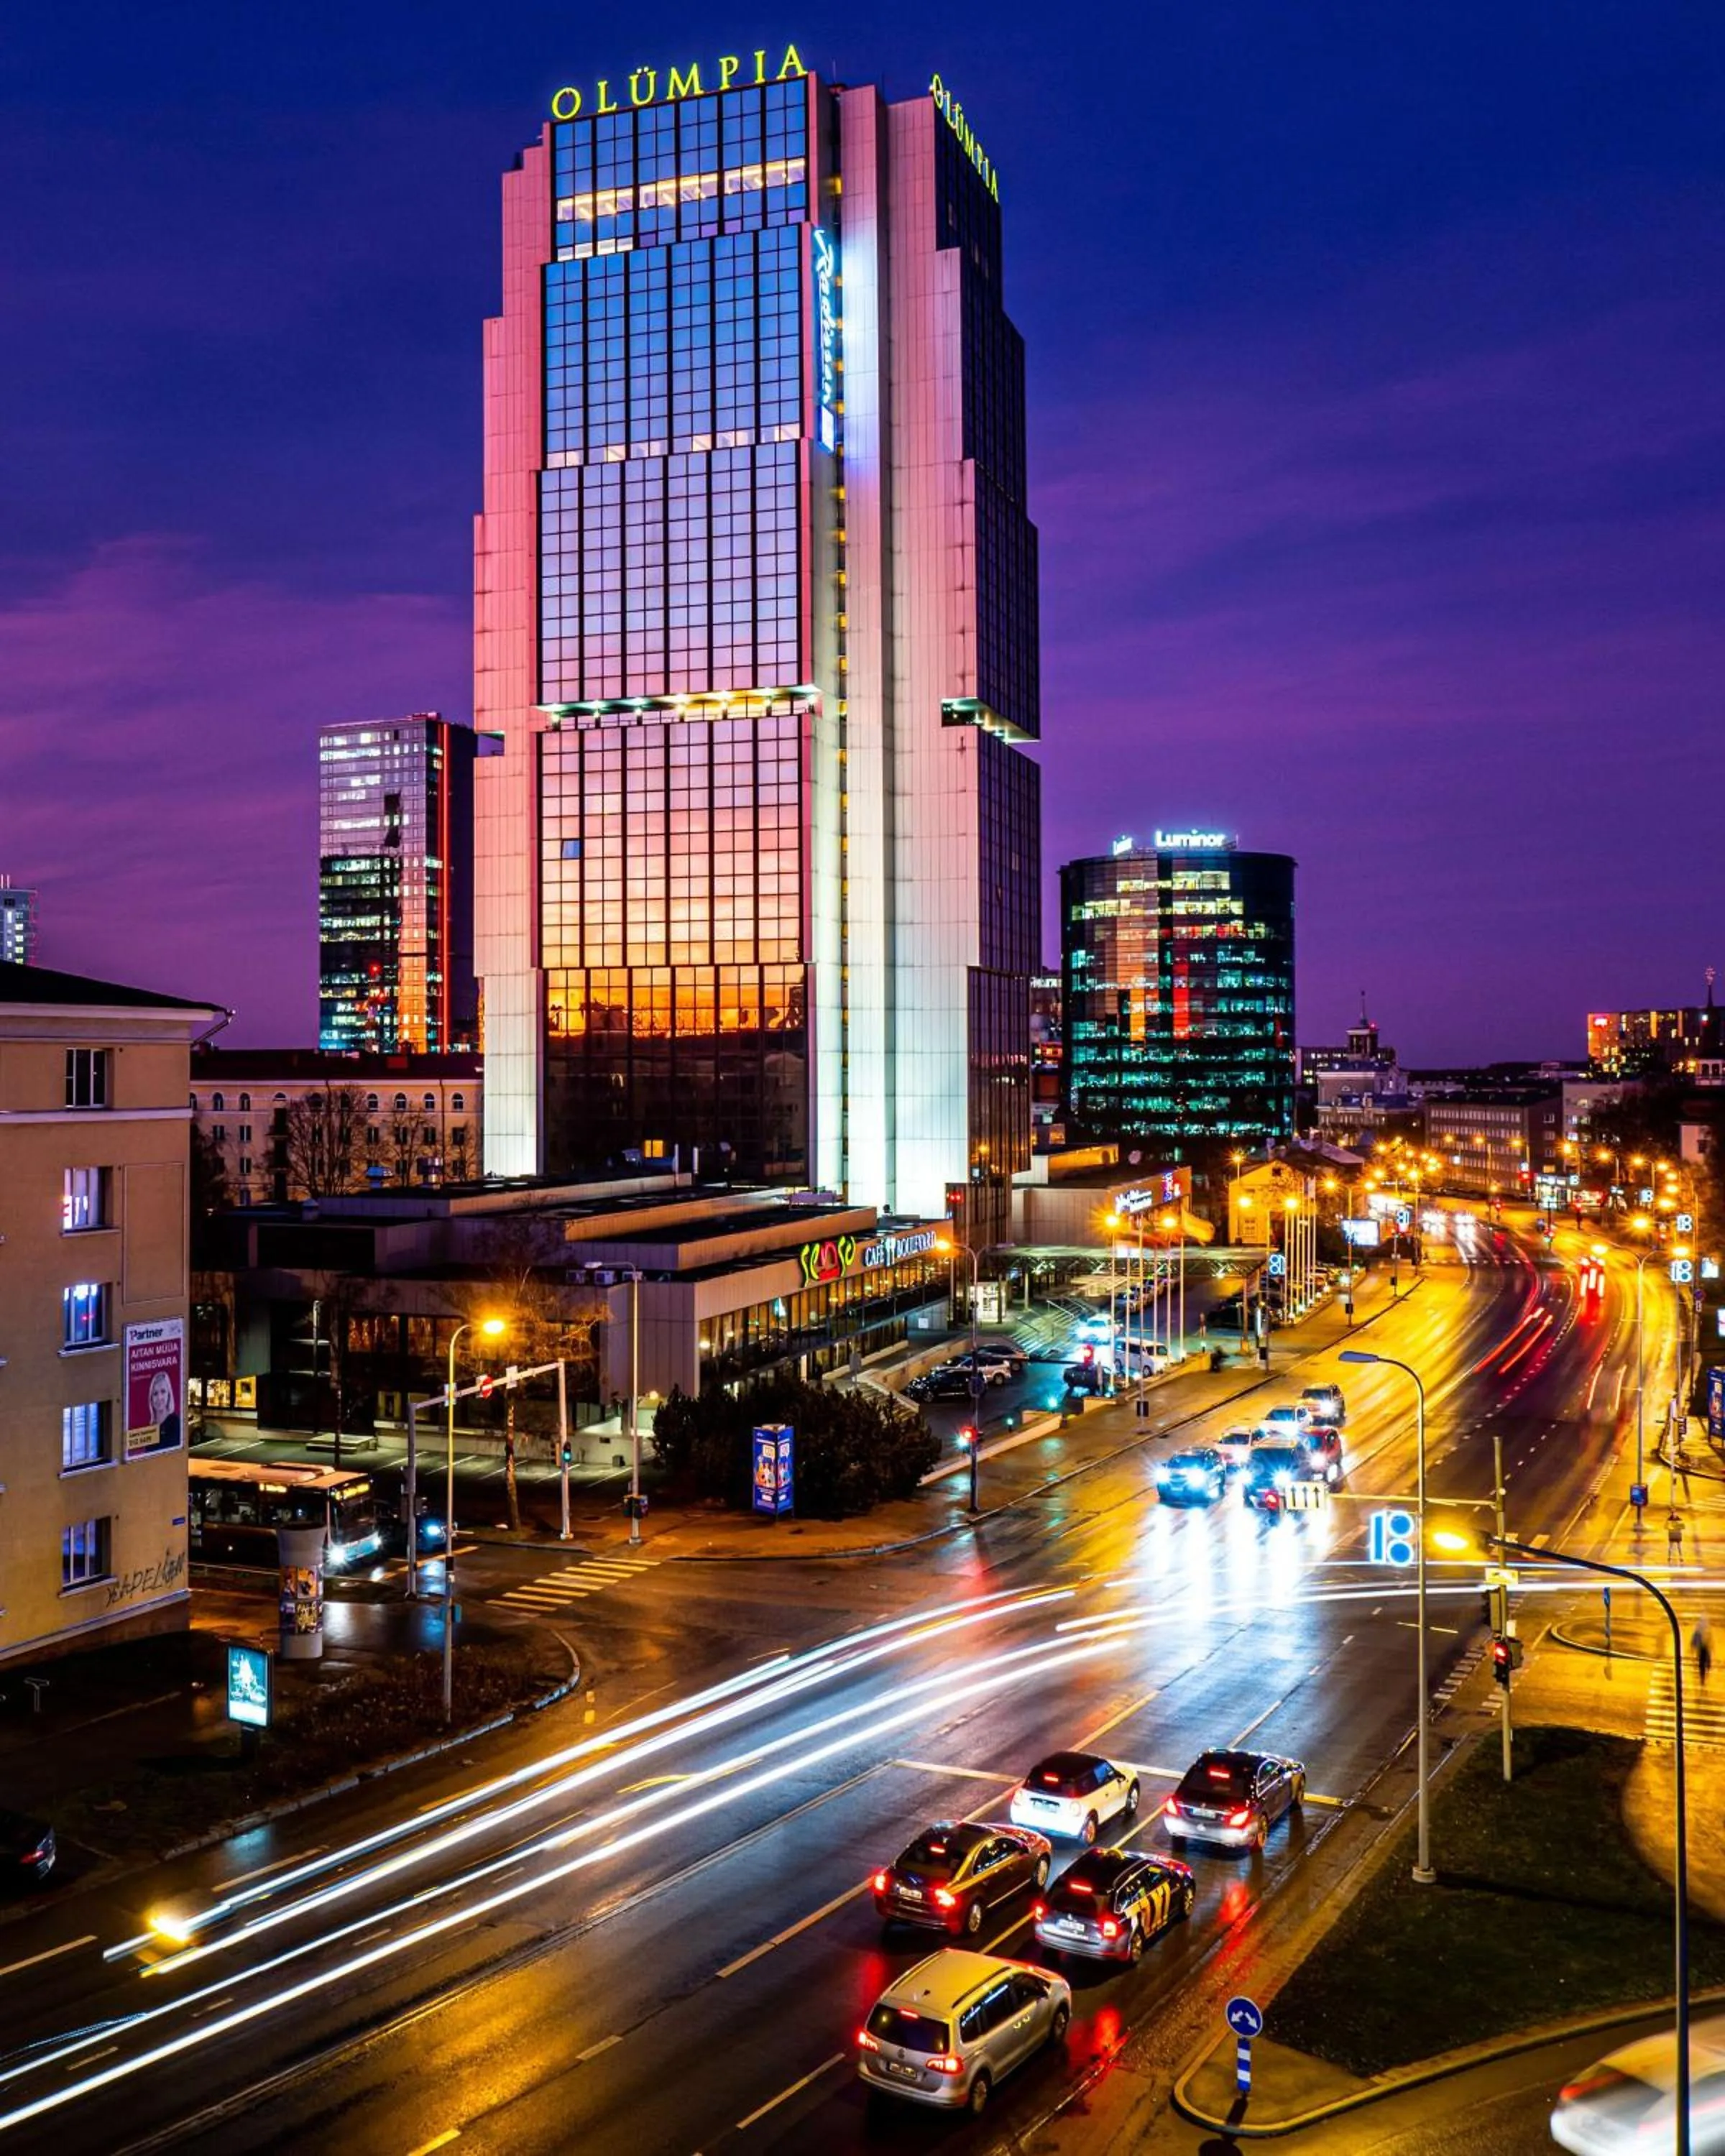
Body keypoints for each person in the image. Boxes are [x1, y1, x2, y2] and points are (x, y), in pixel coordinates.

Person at [1694, 1615, 1714, 1687]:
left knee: (1704, 1664)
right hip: (1703, 1649)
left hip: (1704, 1649)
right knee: (1703, 1664)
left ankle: (1703, 1678)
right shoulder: (1702, 1630)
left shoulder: (1703, 1629)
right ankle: (1703, 1678)